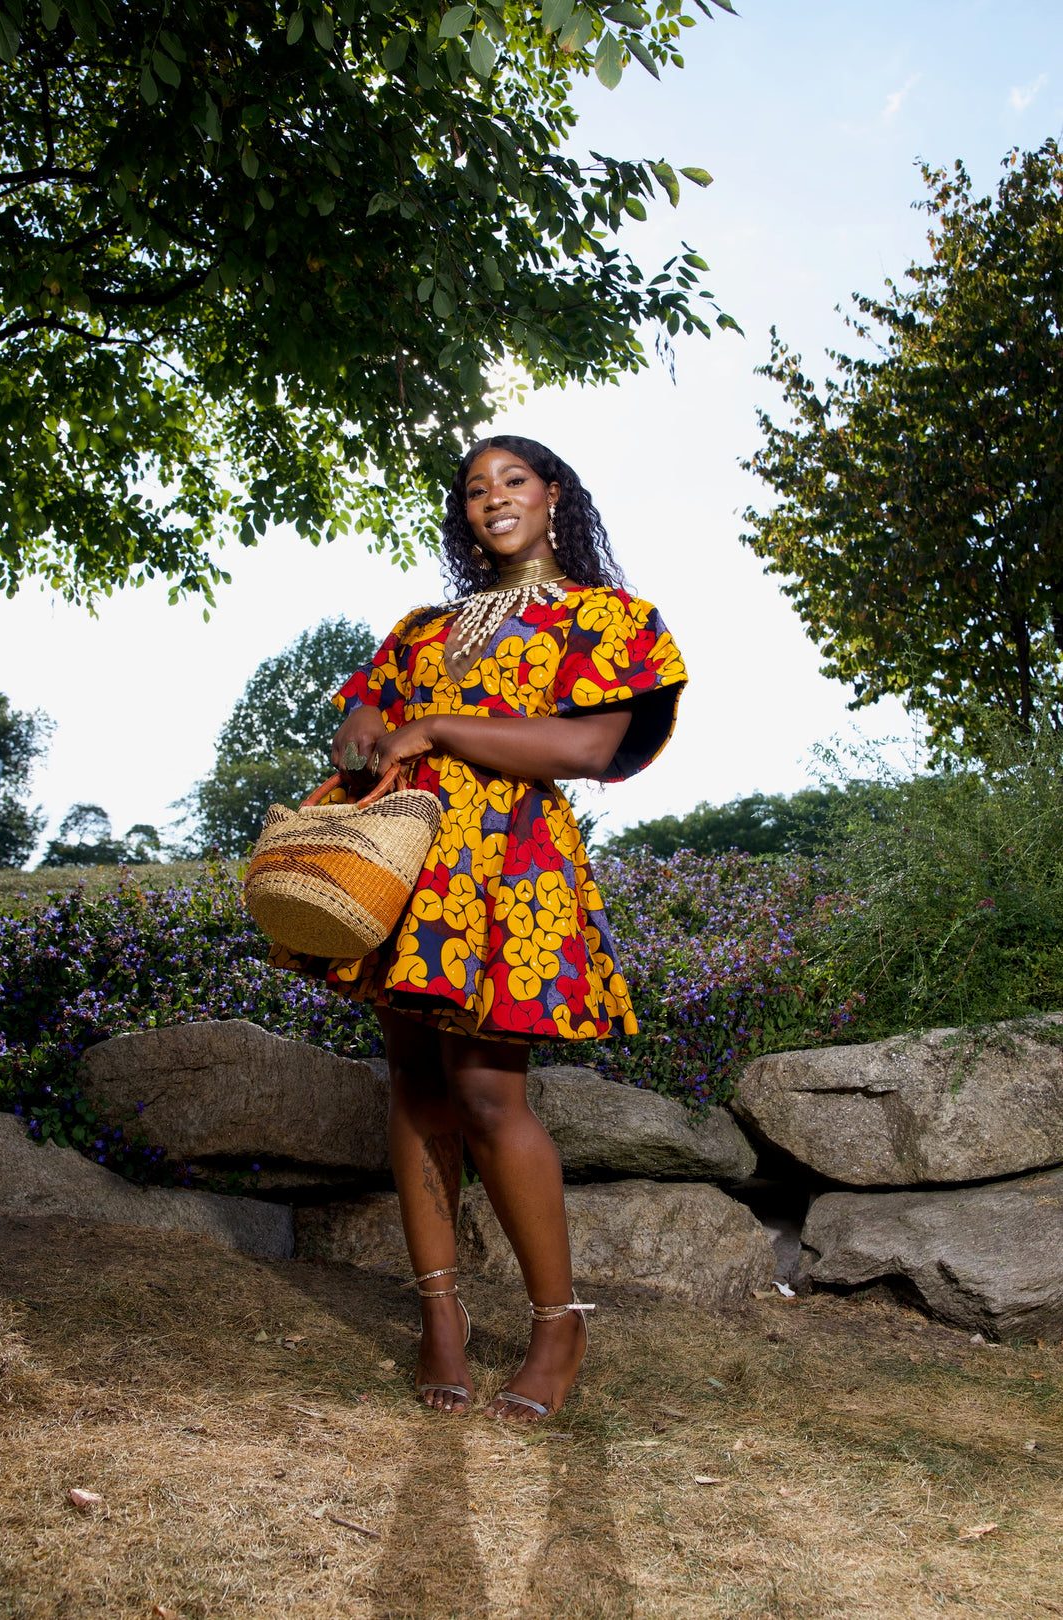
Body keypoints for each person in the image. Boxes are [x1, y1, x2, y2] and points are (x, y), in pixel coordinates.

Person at [282, 436, 686, 1420]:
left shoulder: (611, 620)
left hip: (509, 864)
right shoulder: (422, 628)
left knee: (489, 1095)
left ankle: (558, 1324)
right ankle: (442, 1320)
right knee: (416, 1087)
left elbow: (590, 745)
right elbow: (358, 727)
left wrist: (441, 728)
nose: (493, 500)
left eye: (513, 481)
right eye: (475, 490)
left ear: (554, 495)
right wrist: (371, 732)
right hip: (402, 862)